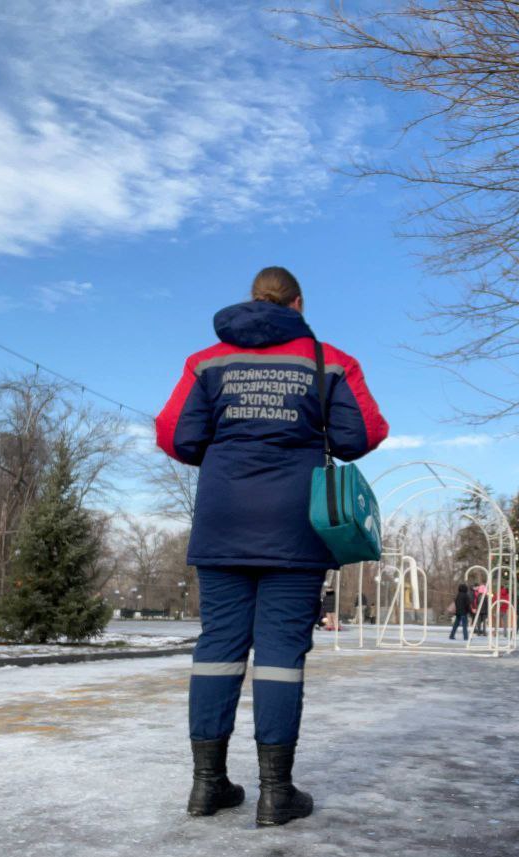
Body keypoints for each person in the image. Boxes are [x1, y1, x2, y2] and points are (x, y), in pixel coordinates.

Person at [156, 266, 389, 827]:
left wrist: (229, 448)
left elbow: (175, 434)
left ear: (252, 299)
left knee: (217, 648)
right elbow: (365, 434)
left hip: (223, 520)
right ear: (299, 303)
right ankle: (274, 793)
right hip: (295, 524)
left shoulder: (205, 361)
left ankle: (206, 786)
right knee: (281, 654)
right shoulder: (329, 360)